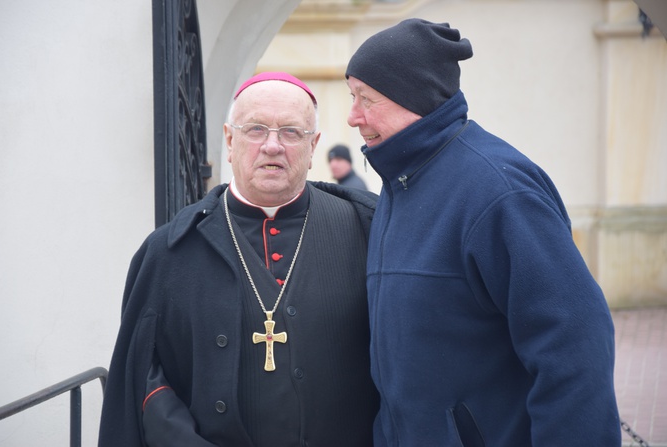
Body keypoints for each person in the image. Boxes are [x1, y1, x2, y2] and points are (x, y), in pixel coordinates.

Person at [345, 18, 621, 446]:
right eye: (352, 97)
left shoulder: (498, 191)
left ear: (413, 96)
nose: (352, 116)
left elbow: (575, 347)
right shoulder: (401, 181)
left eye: (367, 98)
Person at [98, 72, 379, 446]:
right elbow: (145, 379)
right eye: (256, 129)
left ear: (314, 147)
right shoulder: (168, 252)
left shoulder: (367, 229)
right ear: (230, 141)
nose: (273, 146)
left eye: (291, 132)